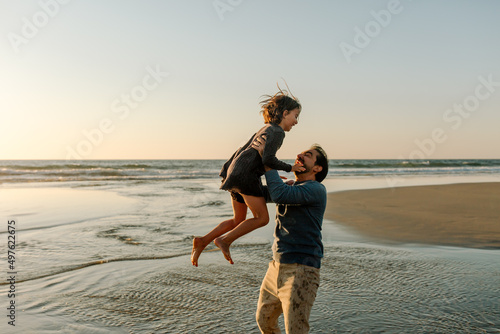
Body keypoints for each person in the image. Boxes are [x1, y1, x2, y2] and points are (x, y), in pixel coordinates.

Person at [191, 89, 305, 267]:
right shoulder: (277, 132)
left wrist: (229, 173)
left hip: (235, 174)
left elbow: (246, 152)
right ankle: (224, 241)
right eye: (295, 116)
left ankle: (202, 241)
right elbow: (268, 159)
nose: (296, 121)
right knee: (262, 218)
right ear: (285, 113)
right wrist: (291, 167)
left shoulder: (265, 128)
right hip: (245, 177)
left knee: (239, 220)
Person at [256, 144, 328, 334]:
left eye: (308, 155)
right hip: (276, 267)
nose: (299, 155)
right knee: (264, 321)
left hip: (302, 270)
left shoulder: (316, 189)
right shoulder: (290, 187)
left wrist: (269, 164)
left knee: (295, 330)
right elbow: (259, 195)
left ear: (317, 168)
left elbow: (280, 195)